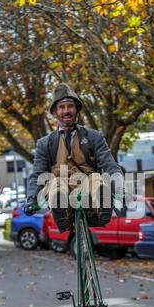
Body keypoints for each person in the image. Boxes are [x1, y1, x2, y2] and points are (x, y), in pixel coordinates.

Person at [24, 83, 124, 232]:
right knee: (56, 185)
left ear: (76, 109)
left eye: (70, 106)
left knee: (97, 179)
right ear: (55, 112)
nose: (66, 111)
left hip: (87, 190)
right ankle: (61, 215)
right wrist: (31, 199)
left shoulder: (94, 137)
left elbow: (109, 164)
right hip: (61, 189)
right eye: (62, 107)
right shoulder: (44, 144)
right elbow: (37, 174)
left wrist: (120, 187)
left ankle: (104, 208)